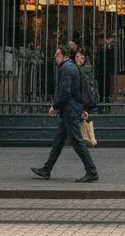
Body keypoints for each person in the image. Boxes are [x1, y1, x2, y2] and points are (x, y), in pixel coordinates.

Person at [30, 44, 99, 183]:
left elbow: (65, 92)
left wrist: (54, 106)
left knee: (77, 142)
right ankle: (47, 169)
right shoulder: (71, 66)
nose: (55, 58)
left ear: (62, 55)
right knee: (59, 140)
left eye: (57, 55)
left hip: (71, 111)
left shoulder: (66, 68)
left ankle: (92, 172)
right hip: (70, 110)